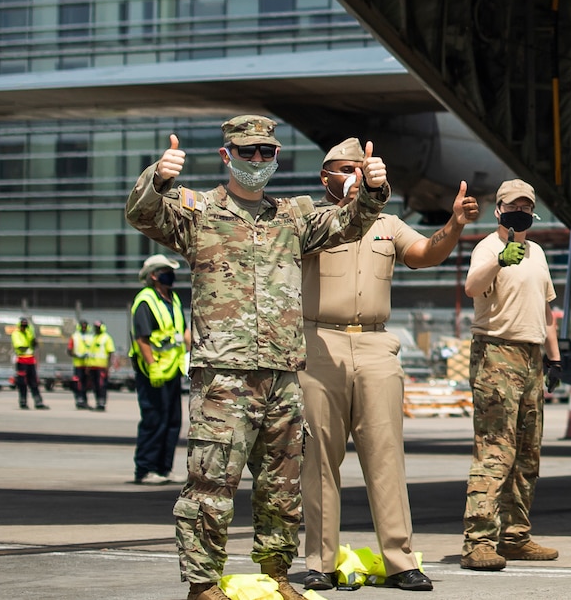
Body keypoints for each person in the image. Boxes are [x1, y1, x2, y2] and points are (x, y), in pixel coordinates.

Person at [126, 115, 389, 600]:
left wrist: (372, 191)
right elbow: (144, 215)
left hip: (283, 374)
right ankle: (203, 583)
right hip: (223, 375)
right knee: (211, 483)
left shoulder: (291, 216)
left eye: (267, 152)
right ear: (228, 156)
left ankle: (276, 573)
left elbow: (348, 223)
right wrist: (159, 178)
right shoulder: (199, 211)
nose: (258, 160)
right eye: (248, 152)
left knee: (282, 486)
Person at [300, 138, 480, 594]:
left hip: (376, 346)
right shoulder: (308, 221)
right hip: (319, 342)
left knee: (386, 459)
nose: (355, 176)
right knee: (319, 460)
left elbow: (424, 254)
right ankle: (320, 561)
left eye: (361, 168)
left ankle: (399, 560)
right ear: (326, 177)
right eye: (345, 169)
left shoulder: (387, 224)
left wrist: (454, 225)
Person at [459, 179, 563, 572]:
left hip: (532, 356)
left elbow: (548, 310)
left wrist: (554, 360)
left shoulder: (536, 252)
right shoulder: (488, 247)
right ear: (498, 210)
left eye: (526, 206)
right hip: (496, 352)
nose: (519, 211)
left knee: (527, 453)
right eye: (512, 206)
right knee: (495, 450)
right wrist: (500, 259)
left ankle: (515, 536)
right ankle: (479, 540)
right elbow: (472, 287)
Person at [131, 253, 188, 484]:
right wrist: (152, 366)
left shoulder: (173, 299)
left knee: (173, 420)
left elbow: (183, 331)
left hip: (172, 369)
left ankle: (164, 468)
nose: (170, 275)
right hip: (152, 372)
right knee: (154, 419)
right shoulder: (146, 300)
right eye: (165, 271)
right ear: (153, 275)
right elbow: (142, 339)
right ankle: (145, 469)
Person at [11, 315, 48, 410]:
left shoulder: (29, 332)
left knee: (34, 382)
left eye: (25, 325)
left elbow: (34, 343)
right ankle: (23, 402)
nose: (24, 327)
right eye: (22, 325)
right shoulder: (16, 333)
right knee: (22, 383)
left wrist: (34, 342)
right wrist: (30, 344)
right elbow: (20, 347)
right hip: (22, 360)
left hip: (31, 360)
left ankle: (38, 401)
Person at [84, 321, 113, 410]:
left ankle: (102, 403)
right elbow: (91, 353)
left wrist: (108, 367)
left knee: (101, 385)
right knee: (95, 386)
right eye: (95, 327)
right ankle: (98, 402)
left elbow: (110, 352)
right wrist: (88, 366)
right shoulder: (93, 338)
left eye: (98, 327)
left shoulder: (106, 338)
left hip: (101, 367)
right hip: (93, 367)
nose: (96, 329)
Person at [69, 319, 93, 408]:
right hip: (78, 365)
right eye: (82, 326)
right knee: (77, 383)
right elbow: (69, 350)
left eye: (85, 326)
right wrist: (78, 355)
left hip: (88, 365)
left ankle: (84, 400)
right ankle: (79, 399)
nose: (83, 328)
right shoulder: (74, 337)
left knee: (87, 384)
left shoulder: (91, 337)